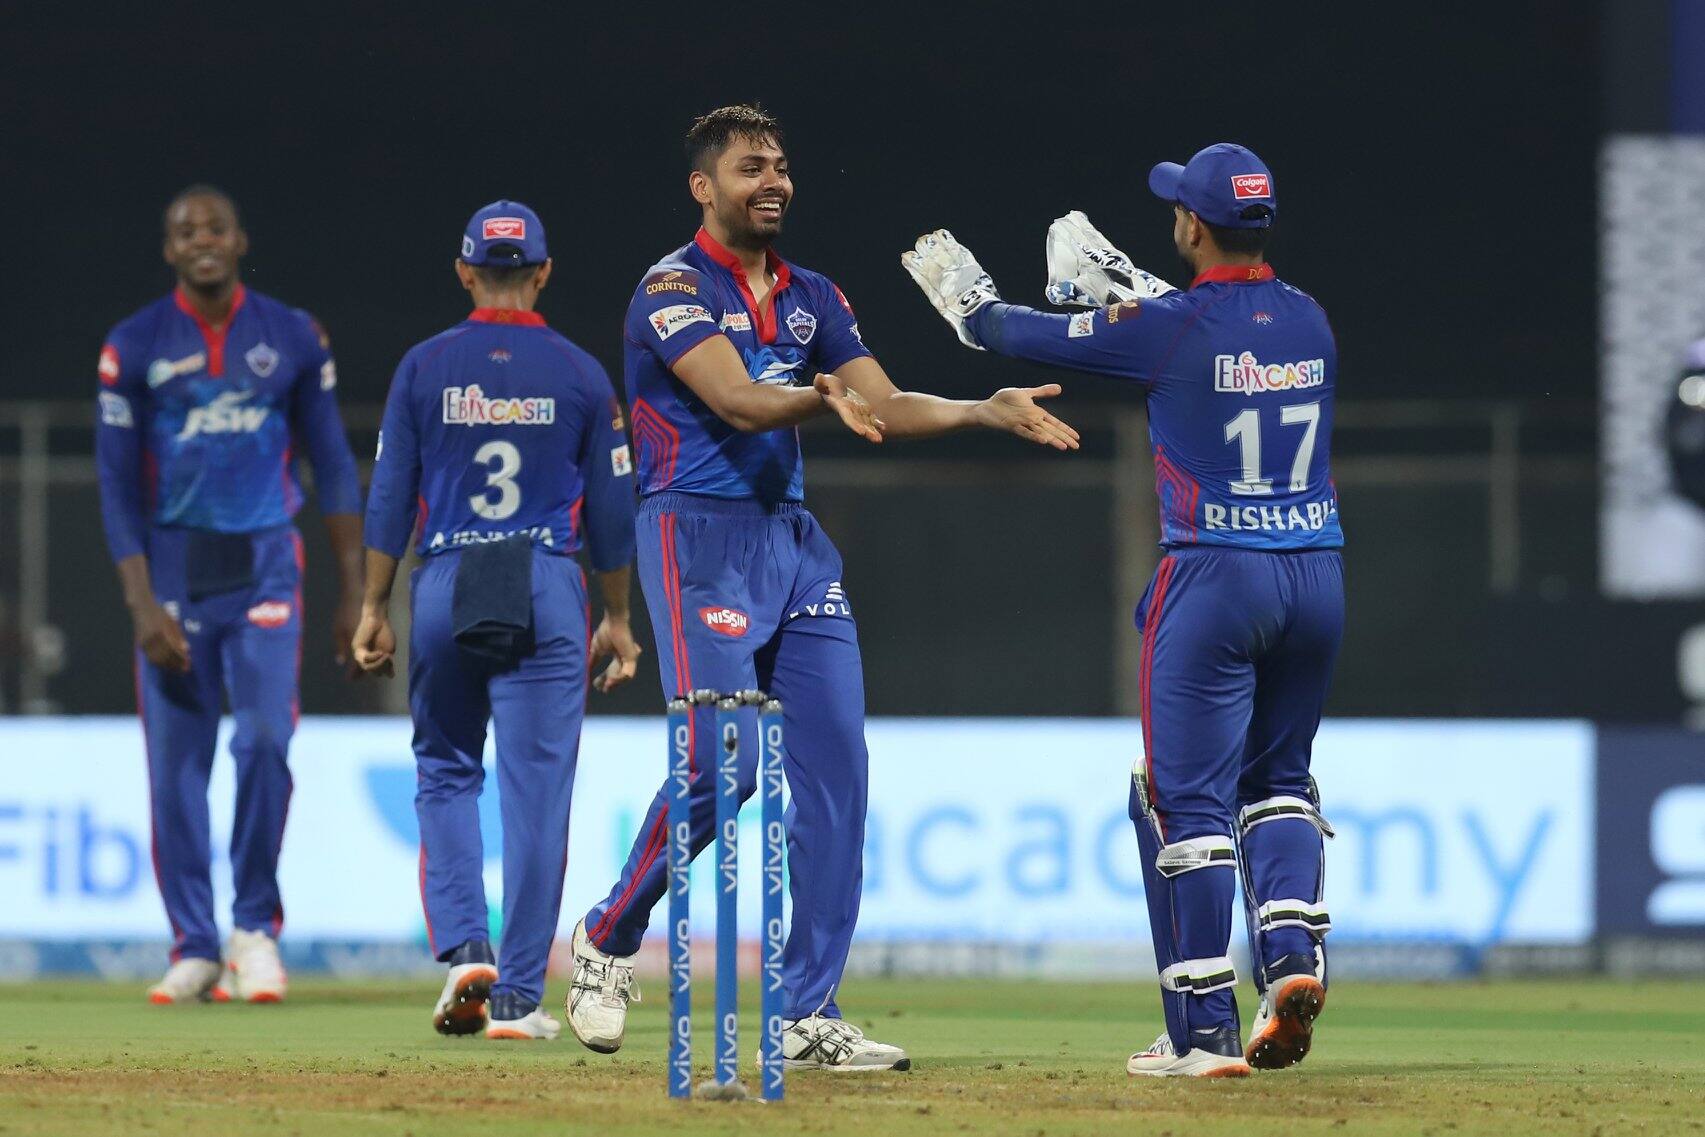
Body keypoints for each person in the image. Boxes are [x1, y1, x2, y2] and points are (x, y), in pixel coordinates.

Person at [563, 104, 1079, 1071]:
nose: (774, 181)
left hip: (794, 549)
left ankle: (807, 1010)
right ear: (702, 187)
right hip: (694, 539)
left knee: (837, 774)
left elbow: (880, 401)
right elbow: (735, 398)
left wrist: (979, 408)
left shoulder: (814, 295)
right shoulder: (669, 288)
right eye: (751, 165)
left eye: (782, 165)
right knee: (727, 766)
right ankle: (605, 938)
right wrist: (816, 397)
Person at [904, 143, 1343, 1077]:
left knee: (1180, 800)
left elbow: (1007, 333)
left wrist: (966, 297)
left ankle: (1202, 1032)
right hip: (1316, 574)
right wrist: (1119, 293)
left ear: (1189, 225)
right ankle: (1294, 957)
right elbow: (1214, 334)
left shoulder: (1168, 327)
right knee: (1279, 781)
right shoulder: (1308, 320)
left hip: (1217, 577)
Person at [353, 200, 640, 1040]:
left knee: (444, 768)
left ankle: (462, 953)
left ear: (464, 270)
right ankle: (515, 995)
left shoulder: (422, 366)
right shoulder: (583, 373)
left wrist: (375, 604)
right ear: (544, 271)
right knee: (536, 795)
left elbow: (388, 496)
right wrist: (617, 616)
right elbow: (614, 513)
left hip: (445, 574)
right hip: (545, 577)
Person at [95, 186, 364, 1004]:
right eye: (185, 231)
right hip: (174, 573)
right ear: (169, 250)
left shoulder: (291, 334)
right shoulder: (132, 344)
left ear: (240, 239)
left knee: (262, 743)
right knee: (177, 769)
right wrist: (142, 604)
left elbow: (334, 463)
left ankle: (253, 928)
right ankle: (194, 944)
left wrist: (358, 591)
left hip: (265, 565)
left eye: (215, 227)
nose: (202, 240)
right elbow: (113, 485)